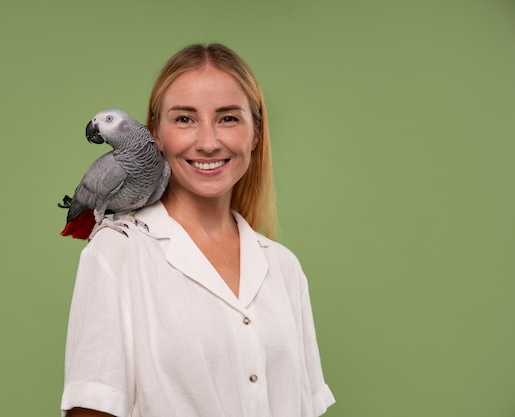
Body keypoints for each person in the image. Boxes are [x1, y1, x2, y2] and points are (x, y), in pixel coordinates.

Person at [61, 43, 335, 417]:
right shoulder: (117, 254)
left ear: (256, 133)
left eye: (228, 118)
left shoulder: (283, 268)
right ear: (155, 134)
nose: (208, 143)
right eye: (185, 119)